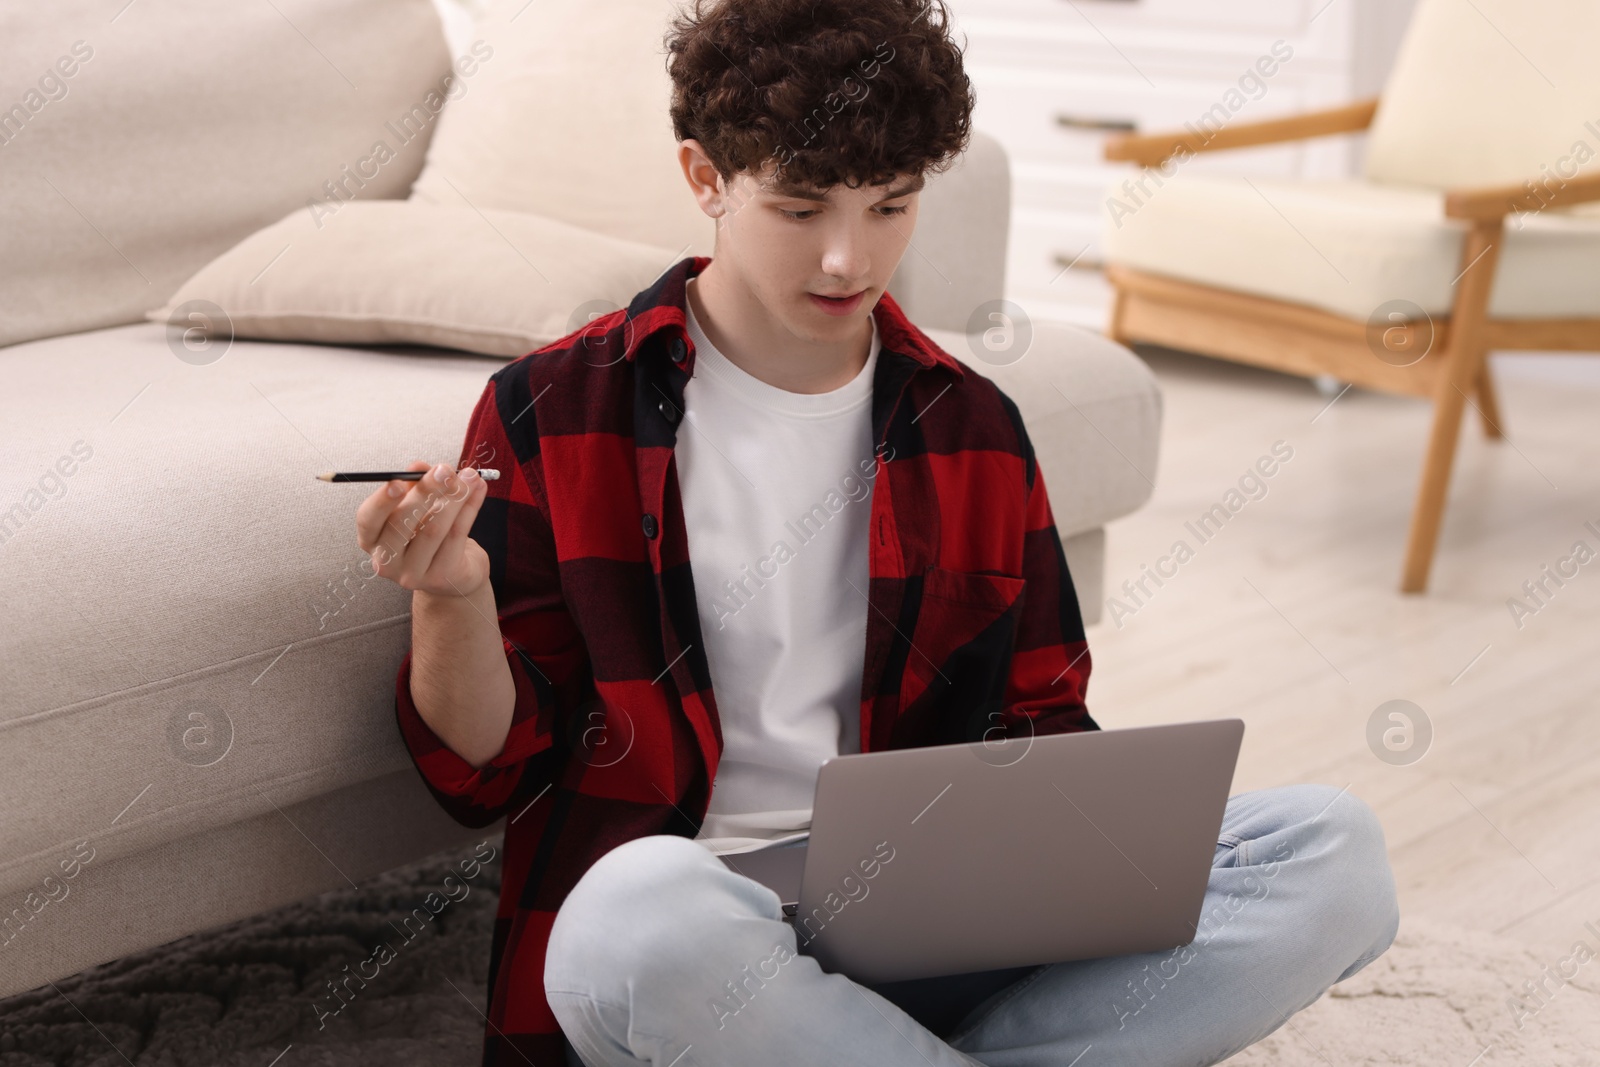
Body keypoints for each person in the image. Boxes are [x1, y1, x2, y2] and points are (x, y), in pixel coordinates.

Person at [355, 0, 1400, 1063]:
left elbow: (1039, 723)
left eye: (891, 207)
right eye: (801, 209)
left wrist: (1058, 853)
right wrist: (452, 594)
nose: (850, 260)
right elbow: (480, 775)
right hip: (703, 938)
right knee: (625, 912)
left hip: (924, 923)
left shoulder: (972, 424)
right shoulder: (556, 406)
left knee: (1332, 849)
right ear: (705, 178)